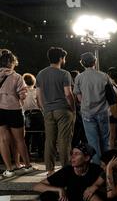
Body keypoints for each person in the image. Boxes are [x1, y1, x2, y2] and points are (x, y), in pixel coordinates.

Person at [36, 47, 76, 176]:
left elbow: (38, 95)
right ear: (60, 58)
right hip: (63, 110)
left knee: (50, 140)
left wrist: (44, 109)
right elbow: (68, 94)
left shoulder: (41, 74)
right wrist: (73, 108)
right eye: (64, 57)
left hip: (48, 111)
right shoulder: (64, 74)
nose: (64, 60)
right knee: (64, 140)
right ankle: (66, 168)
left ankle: (50, 169)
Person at [0, 50, 34, 178]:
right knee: (19, 139)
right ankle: (27, 166)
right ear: (11, 63)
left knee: (3, 139)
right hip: (14, 110)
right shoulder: (17, 77)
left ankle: (9, 169)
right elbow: (23, 95)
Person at [74, 52, 111, 165]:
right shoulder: (104, 76)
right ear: (94, 62)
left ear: (82, 63)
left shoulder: (79, 77)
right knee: (105, 140)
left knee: (92, 141)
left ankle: (97, 166)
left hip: (87, 113)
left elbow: (79, 98)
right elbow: (109, 95)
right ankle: (107, 165)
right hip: (103, 111)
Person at [22, 73, 45, 159]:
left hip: (26, 114)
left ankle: (26, 154)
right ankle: (41, 153)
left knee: (27, 136)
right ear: (33, 82)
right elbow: (40, 104)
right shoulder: (36, 91)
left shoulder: (22, 92)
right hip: (37, 114)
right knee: (39, 134)